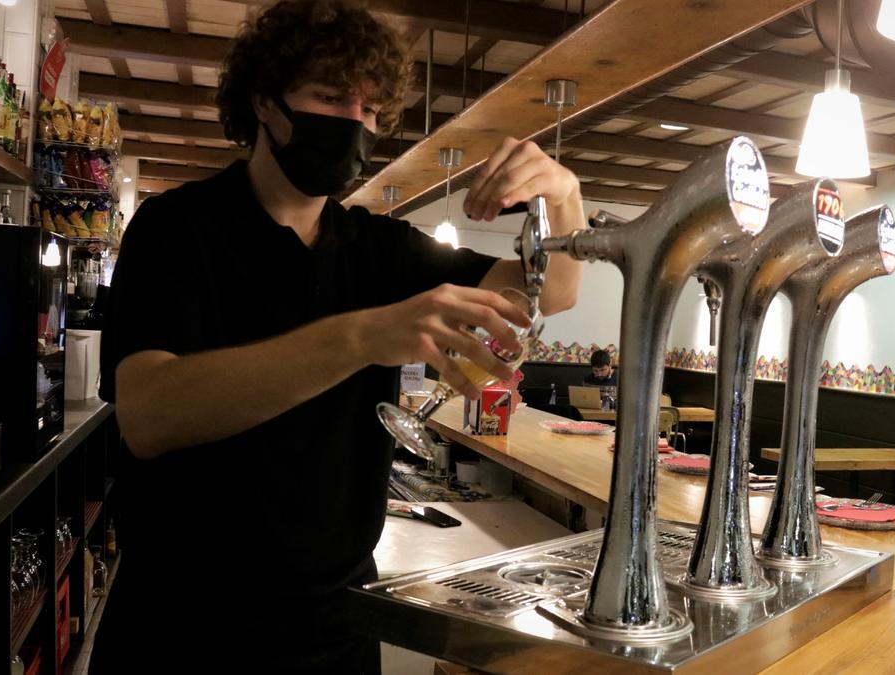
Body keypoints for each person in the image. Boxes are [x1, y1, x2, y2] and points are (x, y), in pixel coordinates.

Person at [90, 2, 584, 673]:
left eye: (373, 111)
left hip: (336, 628)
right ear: (264, 101)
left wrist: (566, 199)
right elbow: (148, 413)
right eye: (330, 97)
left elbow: (548, 289)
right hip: (184, 629)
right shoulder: (177, 228)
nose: (355, 124)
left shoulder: (378, 248)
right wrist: (364, 335)